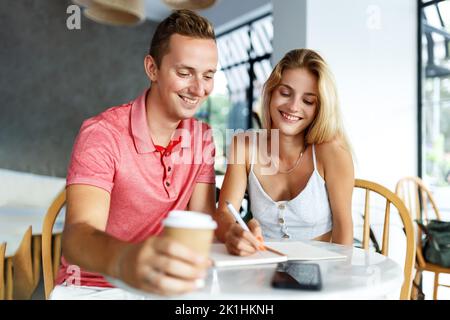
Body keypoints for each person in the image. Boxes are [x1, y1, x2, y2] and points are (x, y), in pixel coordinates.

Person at [51, 10, 219, 299]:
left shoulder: (202, 137)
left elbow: (202, 224)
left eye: (208, 75)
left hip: (165, 285)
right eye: (184, 73)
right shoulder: (102, 134)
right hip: (95, 287)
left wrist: (235, 234)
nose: (199, 88)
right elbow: (78, 236)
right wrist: (126, 261)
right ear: (152, 68)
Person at [213, 49, 354, 256]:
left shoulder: (331, 151)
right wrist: (232, 232)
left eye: (308, 101)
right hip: (261, 271)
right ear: (271, 92)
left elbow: (344, 231)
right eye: (285, 93)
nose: (293, 106)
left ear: (320, 107)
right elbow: (224, 213)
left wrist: (338, 281)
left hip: (320, 275)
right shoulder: (244, 145)